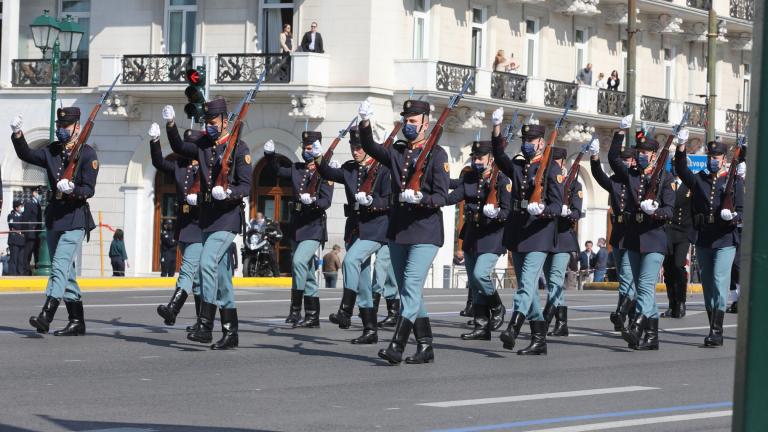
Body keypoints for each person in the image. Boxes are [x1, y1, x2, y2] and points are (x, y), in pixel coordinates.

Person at [359, 97, 449, 365]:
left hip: (425, 232)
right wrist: (365, 123)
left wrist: (421, 199)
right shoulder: (398, 152)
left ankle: (397, 345)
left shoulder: (437, 154)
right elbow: (370, 148)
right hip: (398, 230)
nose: (408, 125)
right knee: (410, 292)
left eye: (412, 121)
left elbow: (442, 196)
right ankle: (426, 347)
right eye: (405, 121)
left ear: (425, 123)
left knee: (409, 286)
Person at [165, 100, 253, 350]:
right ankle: (230, 332)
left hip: (227, 219)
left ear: (225, 122)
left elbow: (246, 186)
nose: (209, 128)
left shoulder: (239, 148)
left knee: (206, 263)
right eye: (207, 123)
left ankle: (205, 325)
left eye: (213, 123)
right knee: (224, 279)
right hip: (208, 219)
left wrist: (228, 192)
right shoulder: (204, 146)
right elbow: (179, 146)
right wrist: (171, 125)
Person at [12, 107, 99, 336]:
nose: (61, 130)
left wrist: (72, 189)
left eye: (65, 127)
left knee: (59, 266)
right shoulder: (52, 151)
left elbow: (88, 190)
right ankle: (77, 321)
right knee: (66, 272)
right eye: (59, 127)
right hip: (54, 218)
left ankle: (46, 314)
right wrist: (18, 135)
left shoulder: (87, 154)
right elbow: (27, 155)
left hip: (75, 219)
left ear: (77, 128)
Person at [491, 107, 563, 356]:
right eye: (525, 141)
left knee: (527, 284)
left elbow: (557, 205)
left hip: (539, 233)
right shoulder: (520, 166)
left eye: (531, 140)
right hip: (519, 230)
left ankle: (513, 327)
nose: (527, 144)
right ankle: (539, 339)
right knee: (527, 286)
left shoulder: (552, 168)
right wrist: (497, 129)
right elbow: (499, 157)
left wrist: (541, 209)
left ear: (542, 142)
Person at [317, 126, 396, 344]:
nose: (356, 151)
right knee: (362, 283)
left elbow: (391, 200)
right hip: (355, 229)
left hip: (378, 229)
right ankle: (370, 330)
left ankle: (346, 309)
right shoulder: (351, 169)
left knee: (350, 260)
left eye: (360, 147)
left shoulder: (384, 169)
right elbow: (326, 173)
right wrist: (317, 155)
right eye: (353, 147)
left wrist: (373, 202)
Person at [608, 114, 674, 351]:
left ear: (654, 156)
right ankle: (652, 338)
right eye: (639, 152)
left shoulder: (666, 178)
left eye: (645, 153)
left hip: (655, 239)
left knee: (645, 286)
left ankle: (636, 326)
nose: (641, 155)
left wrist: (655, 210)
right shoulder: (632, 175)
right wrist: (620, 132)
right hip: (634, 238)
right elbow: (614, 159)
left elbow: (669, 210)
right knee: (641, 287)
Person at [675, 136, 744, 347]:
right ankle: (712, 325)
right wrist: (680, 147)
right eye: (711, 156)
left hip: (725, 237)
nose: (713, 160)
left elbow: (742, 212)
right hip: (704, 236)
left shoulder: (734, 180)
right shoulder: (699, 179)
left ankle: (717, 331)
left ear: (724, 158)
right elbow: (681, 169)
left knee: (719, 279)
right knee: (707, 283)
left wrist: (731, 217)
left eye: (717, 156)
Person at [264, 131, 334, 328]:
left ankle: (295, 310)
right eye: (304, 147)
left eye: (309, 148)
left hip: (313, 226)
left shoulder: (324, 171)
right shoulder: (297, 169)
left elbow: (326, 201)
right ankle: (312, 316)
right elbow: (277, 170)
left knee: (298, 261)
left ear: (318, 148)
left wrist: (313, 202)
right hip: (297, 226)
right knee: (308, 271)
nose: (305, 151)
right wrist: (269, 156)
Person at [447, 139, 510, 341]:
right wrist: (431, 198)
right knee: (474, 283)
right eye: (474, 157)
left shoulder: (502, 180)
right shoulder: (470, 178)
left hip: (492, 236)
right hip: (472, 234)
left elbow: (508, 212)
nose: (476, 161)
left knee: (480, 274)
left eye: (480, 157)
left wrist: (497, 213)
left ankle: (497, 306)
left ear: (491, 159)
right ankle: (481, 326)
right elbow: (454, 197)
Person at [150, 124, 204, 330]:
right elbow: (159, 163)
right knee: (197, 280)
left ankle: (173, 308)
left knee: (187, 269)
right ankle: (202, 322)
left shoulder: (207, 166)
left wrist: (198, 199)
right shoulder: (181, 166)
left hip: (200, 225)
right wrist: (154, 141)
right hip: (184, 225)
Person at [589, 132, 637, 331]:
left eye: (627, 160)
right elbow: (600, 176)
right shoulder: (616, 182)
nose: (624, 163)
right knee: (623, 277)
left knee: (627, 276)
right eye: (622, 160)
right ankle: (626, 315)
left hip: (632, 233)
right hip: (617, 234)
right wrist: (594, 158)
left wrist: (618, 137)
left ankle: (624, 314)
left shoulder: (636, 180)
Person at [542, 146, 583, 337]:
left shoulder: (574, 185)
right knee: (552, 283)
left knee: (556, 279)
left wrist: (566, 211)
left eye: (556, 162)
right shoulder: (545, 181)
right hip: (546, 237)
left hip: (564, 238)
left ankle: (547, 319)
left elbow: (576, 212)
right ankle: (562, 322)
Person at [661, 160, 694, 318]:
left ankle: (681, 302)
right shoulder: (665, 181)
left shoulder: (689, 183)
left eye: (677, 165)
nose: (674, 168)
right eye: (672, 166)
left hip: (683, 231)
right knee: (668, 269)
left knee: (678, 266)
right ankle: (671, 304)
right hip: (667, 230)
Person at [22, 188, 42, 275]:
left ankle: (36, 270)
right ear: (34, 193)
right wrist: (24, 231)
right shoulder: (29, 203)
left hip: (37, 232)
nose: (39, 195)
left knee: (37, 252)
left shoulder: (38, 204)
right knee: (28, 253)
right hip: (30, 232)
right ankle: (26, 271)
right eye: (38, 192)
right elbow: (25, 218)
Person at [7, 200, 26, 276]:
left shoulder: (23, 216)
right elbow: (13, 226)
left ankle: (20, 274)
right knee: (14, 259)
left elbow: (24, 226)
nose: (22, 208)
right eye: (20, 206)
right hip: (14, 240)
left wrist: (20, 228)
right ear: (16, 208)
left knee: (20, 259)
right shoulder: (11, 216)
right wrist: (20, 228)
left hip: (21, 240)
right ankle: (13, 274)